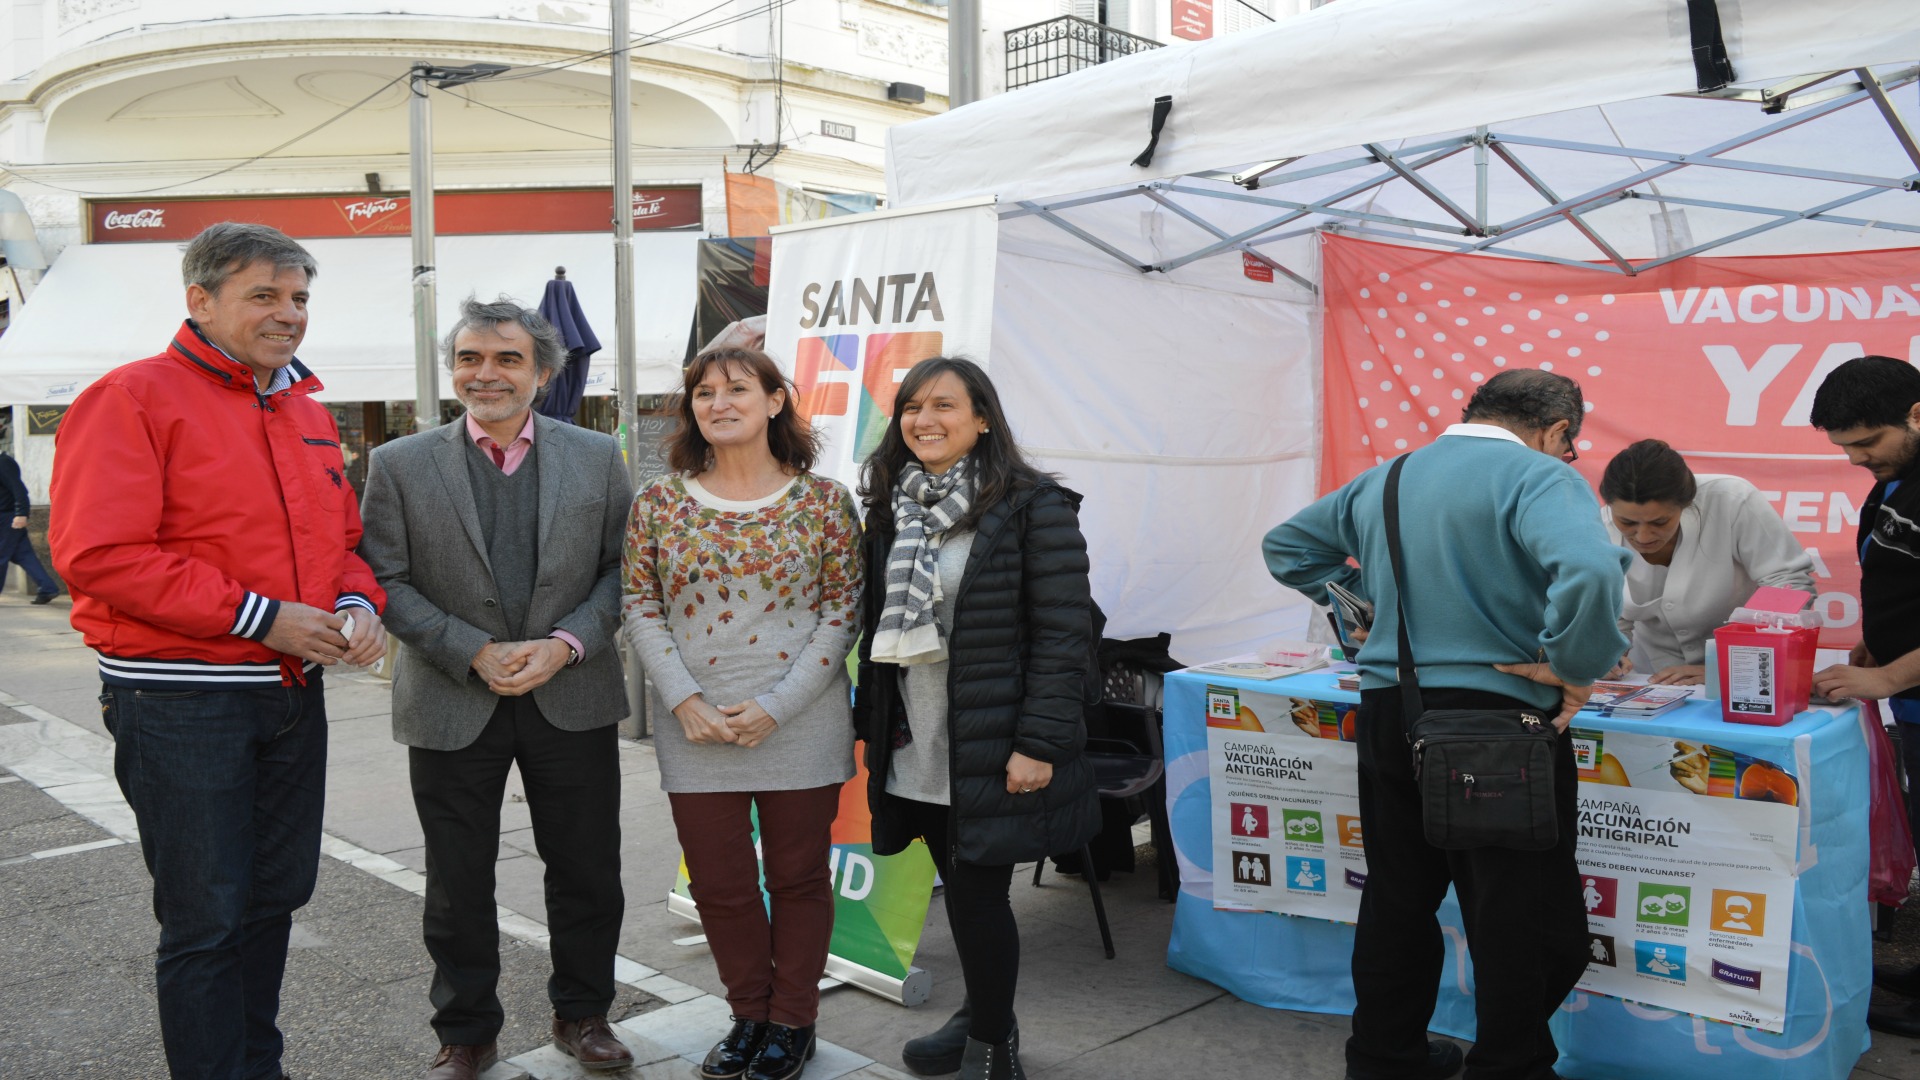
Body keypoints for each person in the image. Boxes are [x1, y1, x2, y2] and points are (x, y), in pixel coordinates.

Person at [48, 222, 388, 1080]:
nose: (289, 314)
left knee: (274, 898)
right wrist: (261, 618)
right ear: (199, 300)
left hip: (290, 692)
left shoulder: (304, 409)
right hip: (179, 699)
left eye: (299, 297)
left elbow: (344, 543)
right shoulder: (130, 398)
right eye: (264, 295)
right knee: (206, 918)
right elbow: (98, 554)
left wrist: (356, 604)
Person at [1264, 369, 1629, 1080]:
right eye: (1570, 447)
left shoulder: (1389, 477)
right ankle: (1509, 1067)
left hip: (1389, 712)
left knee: (1397, 900)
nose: (1568, 458)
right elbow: (1589, 571)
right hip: (1497, 725)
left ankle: (1384, 1060)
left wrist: (1363, 602)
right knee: (1520, 915)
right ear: (1557, 431)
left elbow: (1287, 546)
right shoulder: (1541, 477)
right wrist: (1575, 665)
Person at [358, 297, 635, 1079]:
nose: (487, 374)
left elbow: (623, 569)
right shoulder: (400, 464)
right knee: (456, 880)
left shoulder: (597, 456)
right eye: (470, 358)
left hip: (571, 692)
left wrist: (565, 644)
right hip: (452, 698)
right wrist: (471, 650)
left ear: (542, 373)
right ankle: (466, 1031)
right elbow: (384, 579)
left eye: (508, 358)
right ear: (453, 371)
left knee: (587, 869)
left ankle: (583, 1014)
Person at [853, 357, 1100, 1080]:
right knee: (959, 893)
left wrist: (1039, 743)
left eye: (944, 405)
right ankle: (981, 1014)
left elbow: (1065, 635)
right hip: (920, 741)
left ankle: (994, 1046)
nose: (924, 420)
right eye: (911, 407)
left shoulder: (1033, 506)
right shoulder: (893, 505)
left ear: (983, 418)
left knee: (980, 894)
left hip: (993, 744)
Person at [621, 345, 862, 1080]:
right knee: (719, 886)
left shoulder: (824, 502)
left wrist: (776, 708)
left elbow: (843, 613)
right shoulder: (658, 503)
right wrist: (684, 700)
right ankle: (749, 1015)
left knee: (798, 878)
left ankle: (793, 1022)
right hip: (694, 728)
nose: (718, 403)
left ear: (775, 400)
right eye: (703, 393)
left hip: (802, 722)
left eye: (736, 389)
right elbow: (640, 605)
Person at [1803, 356, 1920, 1037]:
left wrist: (1888, 677)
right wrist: (1881, 640)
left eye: (1867, 442)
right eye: (1844, 446)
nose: (1855, 458)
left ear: (1917, 415)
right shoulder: (1899, 478)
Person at [1599, 439, 1814, 684]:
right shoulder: (1599, 528)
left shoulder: (1733, 499)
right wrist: (1607, 656)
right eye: (1627, 523)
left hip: (1748, 674)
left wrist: (1735, 666)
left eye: (1660, 522)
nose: (1643, 537)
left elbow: (1787, 583)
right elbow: (1608, 612)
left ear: (1686, 504)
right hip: (1650, 675)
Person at [1, 449, 59, 603]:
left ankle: (48, 588)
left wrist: (21, 513)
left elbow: (19, 490)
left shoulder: (4, 463)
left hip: (8, 519)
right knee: (24, 555)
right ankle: (48, 588)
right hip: (7, 518)